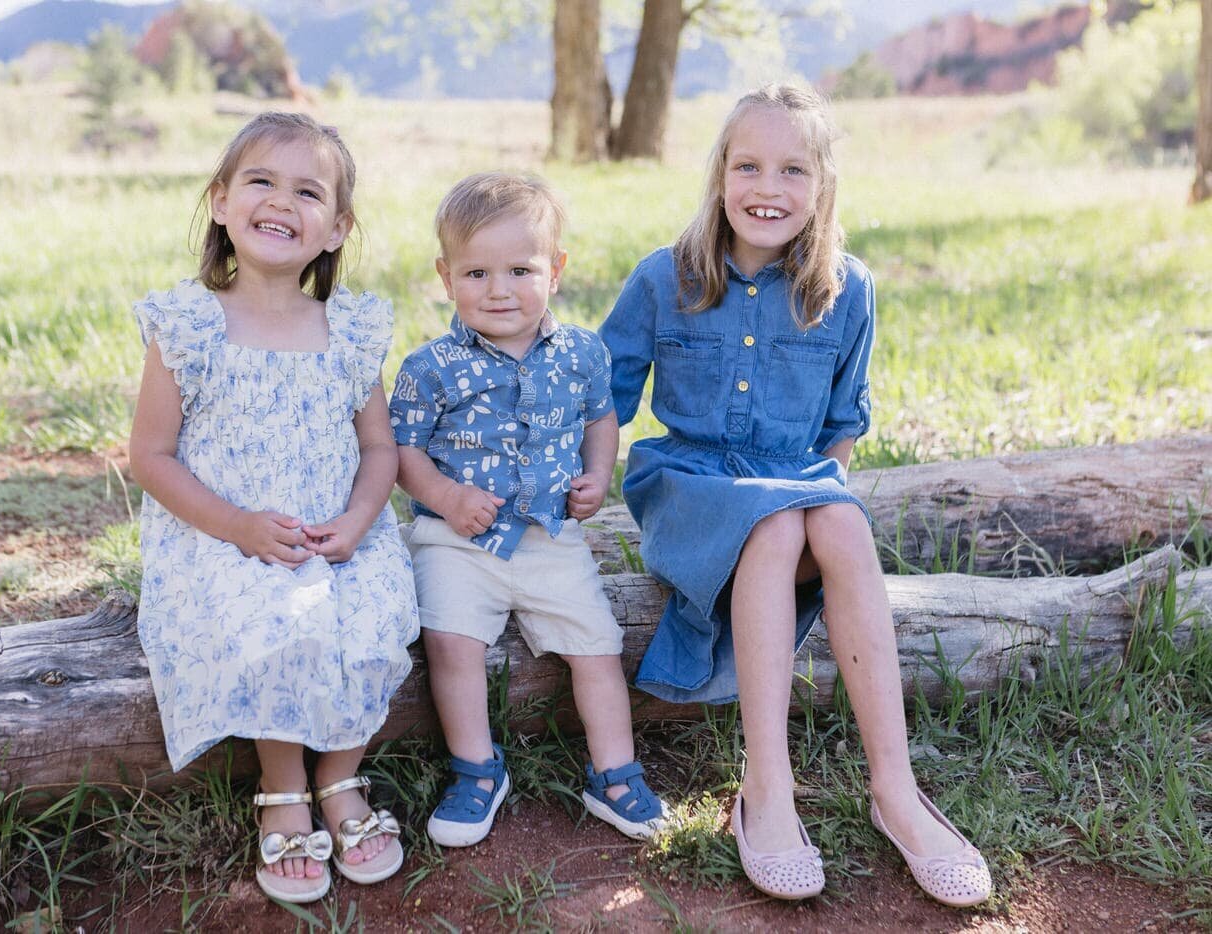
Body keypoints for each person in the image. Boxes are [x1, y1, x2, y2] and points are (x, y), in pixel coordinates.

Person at [599, 84, 992, 907]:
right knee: (776, 527)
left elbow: (843, 426)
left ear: (823, 186)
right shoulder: (663, 278)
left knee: (839, 525)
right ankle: (765, 790)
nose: (766, 188)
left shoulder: (846, 288)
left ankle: (898, 793)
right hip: (692, 484)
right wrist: (572, 478)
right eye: (747, 165)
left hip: (798, 484)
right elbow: (604, 394)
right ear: (719, 174)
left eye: (791, 170)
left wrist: (818, 504)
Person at [128, 112, 419, 906]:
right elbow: (149, 457)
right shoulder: (188, 325)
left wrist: (359, 522)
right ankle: (283, 785)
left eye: (308, 191)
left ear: (336, 227)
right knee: (278, 620)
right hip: (221, 532)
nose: (281, 202)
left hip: (334, 526)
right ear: (221, 201)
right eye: (260, 181)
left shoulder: (349, 329)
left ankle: (341, 780)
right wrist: (237, 527)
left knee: (374, 615)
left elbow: (379, 450)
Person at [389, 172, 665, 848]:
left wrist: (598, 474)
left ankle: (615, 772)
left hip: (550, 535)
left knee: (597, 647)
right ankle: (477, 770)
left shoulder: (581, 353)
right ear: (446, 275)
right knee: (452, 645)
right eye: (476, 272)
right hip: (457, 541)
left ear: (557, 270)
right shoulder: (430, 367)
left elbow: (601, 418)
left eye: (520, 269)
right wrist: (448, 498)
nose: (499, 289)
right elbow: (401, 452)